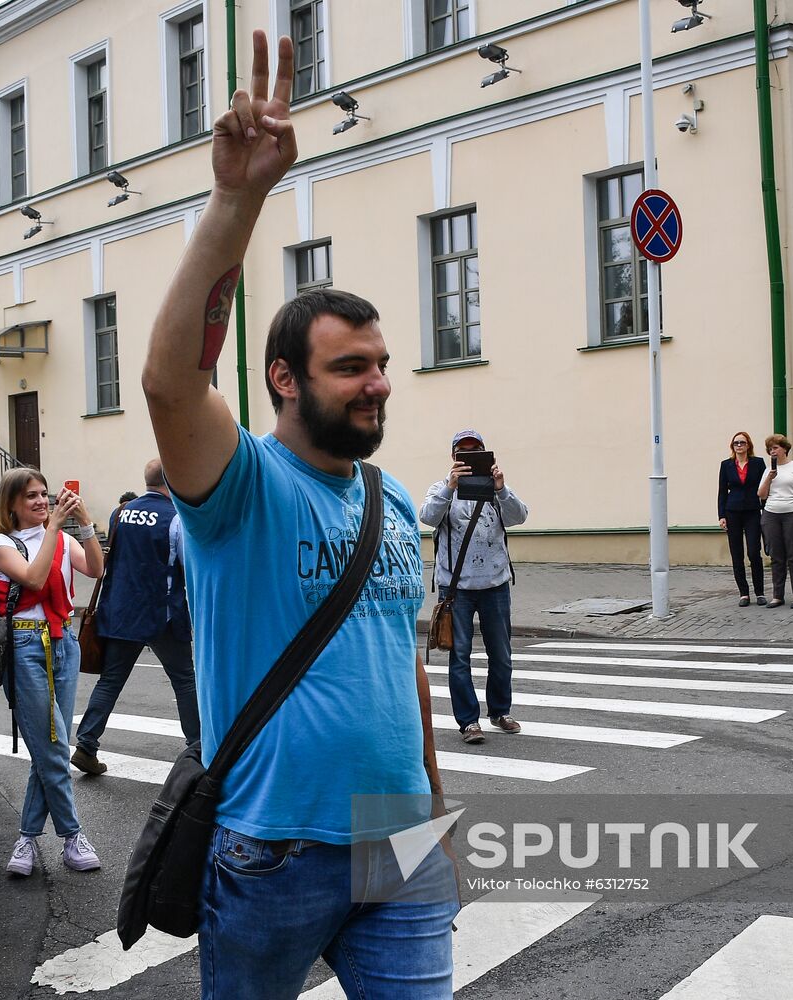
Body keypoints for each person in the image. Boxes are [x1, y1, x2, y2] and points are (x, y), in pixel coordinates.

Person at [140, 32, 455, 998]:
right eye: (350, 367)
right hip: (275, 851)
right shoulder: (242, 488)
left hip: (399, 847)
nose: (378, 384)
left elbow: (403, 665)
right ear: (285, 378)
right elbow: (171, 381)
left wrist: (436, 814)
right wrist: (237, 202)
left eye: (381, 364)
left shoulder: (391, 498)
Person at [0, 469, 104, 878]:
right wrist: (54, 526)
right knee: (53, 746)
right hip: (25, 645)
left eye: (44, 494)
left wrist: (83, 522)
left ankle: (26, 838)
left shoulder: (64, 539)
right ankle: (72, 836)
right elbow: (34, 578)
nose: (41, 502)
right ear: (12, 504)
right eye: (31, 496)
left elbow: (96, 569)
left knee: (49, 745)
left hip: (64, 642)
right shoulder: (4, 545)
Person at [71, 458, 199, 775]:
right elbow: (189, 566)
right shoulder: (176, 518)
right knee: (184, 680)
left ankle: (86, 745)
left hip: (122, 611)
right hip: (161, 614)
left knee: (111, 680)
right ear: (171, 480)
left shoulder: (121, 512)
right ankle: (198, 746)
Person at [418, 430, 528, 745]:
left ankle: (500, 712)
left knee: (501, 654)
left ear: (485, 454)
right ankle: (468, 721)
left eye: (475, 451)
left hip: (495, 585)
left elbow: (519, 517)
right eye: (462, 453)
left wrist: (501, 488)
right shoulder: (441, 488)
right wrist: (450, 486)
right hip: (456, 589)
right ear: (453, 457)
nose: (468, 457)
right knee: (460, 656)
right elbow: (427, 517)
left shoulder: (496, 490)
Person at [758, 434, 793, 609]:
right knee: (776, 556)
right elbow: (761, 495)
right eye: (770, 449)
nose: (772, 451)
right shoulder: (768, 470)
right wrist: (770, 477)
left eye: (775, 448)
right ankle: (777, 596)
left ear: (785, 449)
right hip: (771, 514)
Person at [717, 431, 767, 606]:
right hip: (732, 511)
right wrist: (721, 515)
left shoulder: (758, 463)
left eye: (742, 443)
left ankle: (760, 592)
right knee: (736, 554)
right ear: (732, 446)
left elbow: (765, 487)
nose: (739, 446)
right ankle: (744, 593)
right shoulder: (726, 465)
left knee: (754, 552)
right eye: (736, 443)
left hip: (752, 511)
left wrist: (766, 509)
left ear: (748, 445)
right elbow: (722, 492)